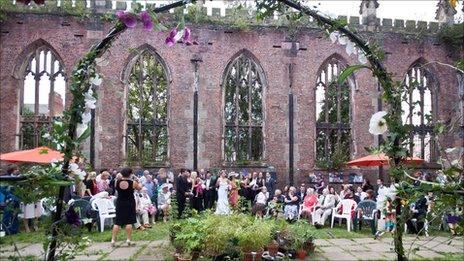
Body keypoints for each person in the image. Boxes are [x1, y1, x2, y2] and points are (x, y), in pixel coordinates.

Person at [111, 168, 142, 247]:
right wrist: (138, 181)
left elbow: (116, 189)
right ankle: (128, 239)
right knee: (129, 222)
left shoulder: (117, 182)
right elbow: (139, 188)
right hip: (129, 203)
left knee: (117, 222)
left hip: (120, 202)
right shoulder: (133, 183)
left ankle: (113, 240)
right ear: (130, 174)